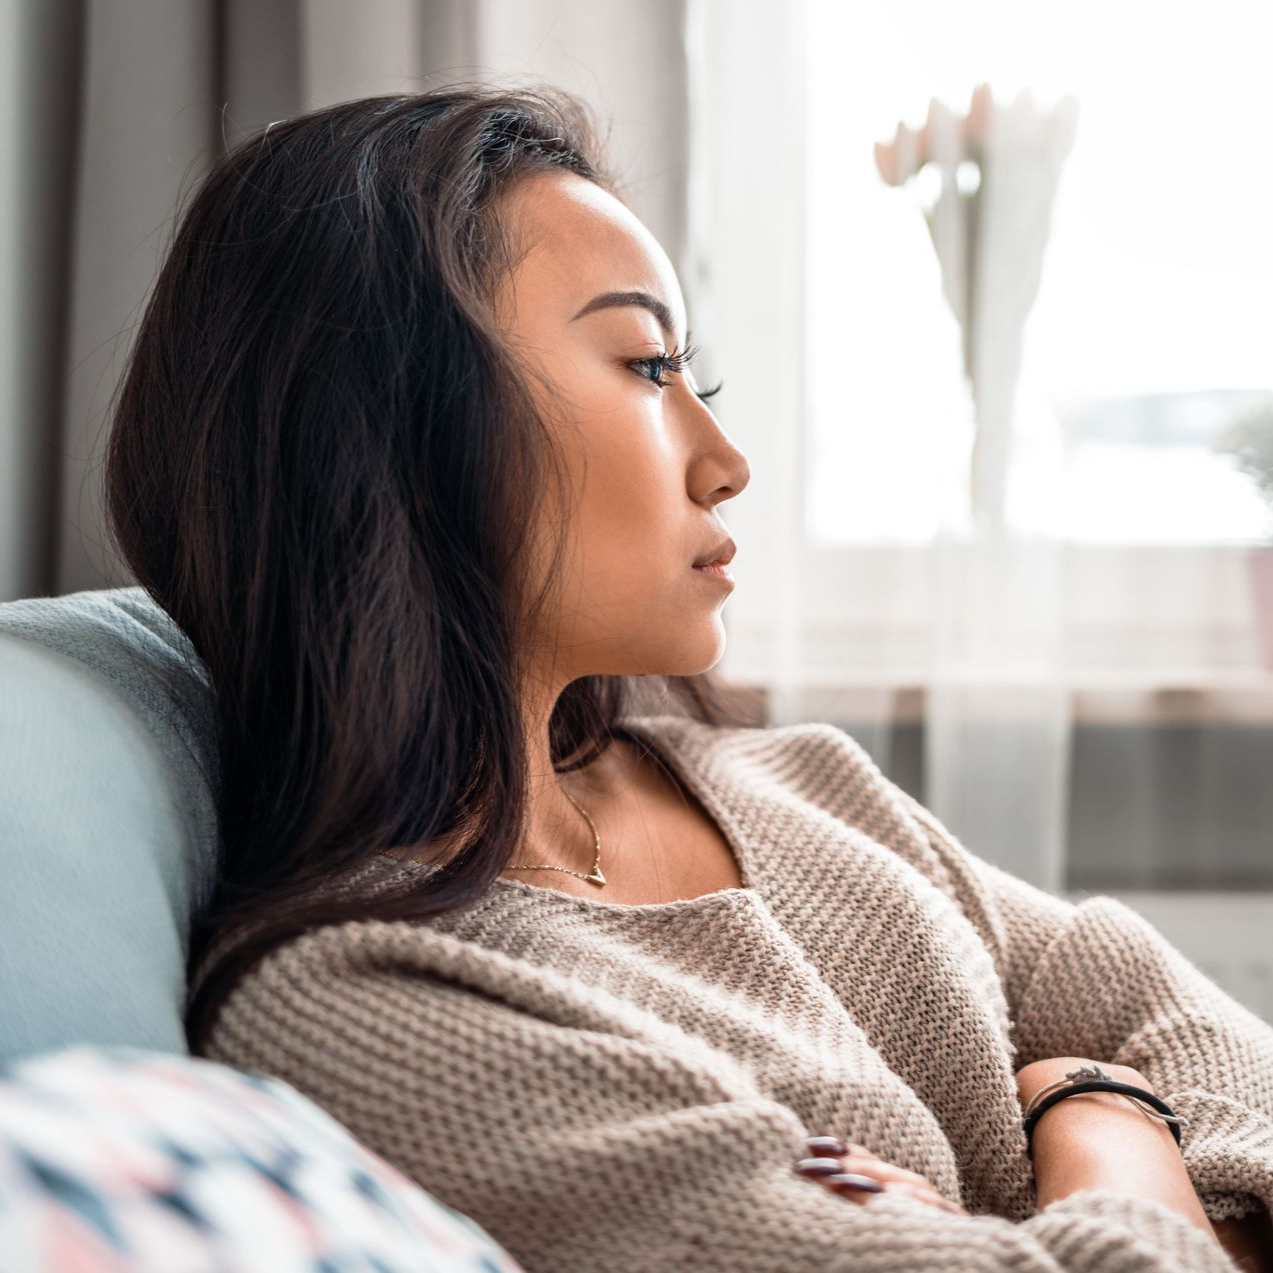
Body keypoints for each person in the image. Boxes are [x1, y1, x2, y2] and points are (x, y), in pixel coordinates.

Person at [101, 82, 1273, 1272]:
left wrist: (1064, 1148)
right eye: (646, 364)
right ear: (397, 429)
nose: (725, 462)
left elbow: (1195, 1034)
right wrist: (1103, 1108)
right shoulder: (370, 1002)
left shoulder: (794, 783)